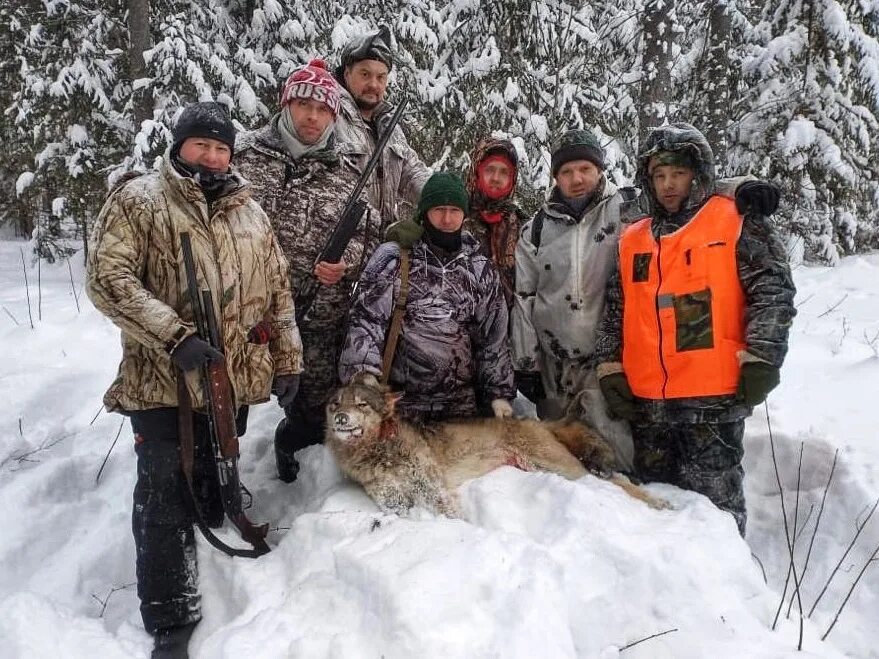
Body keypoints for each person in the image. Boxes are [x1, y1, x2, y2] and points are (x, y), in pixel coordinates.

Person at [86, 102, 302, 657]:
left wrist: (289, 361)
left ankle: (215, 535)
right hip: (163, 382)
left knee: (209, 479)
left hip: (231, 381)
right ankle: (170, 616)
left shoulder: (250, 212)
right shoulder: (139, 201)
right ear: (179, 145)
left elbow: (278, 292)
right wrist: (174, 335)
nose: (211, 155)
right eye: (201, 144)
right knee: (162, 495)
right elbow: (108, 279)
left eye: (221, 147)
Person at [510, 128, 781, 469]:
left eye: (585, 169)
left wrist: (741, 187)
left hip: (603, 362)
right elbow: (524, 298)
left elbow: (686, 194)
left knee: (614, 461)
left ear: (600, 170)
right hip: (554, 368)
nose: (576, 179)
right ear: (555, 177)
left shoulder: (627, 210)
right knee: (559, 462)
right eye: (566, 171)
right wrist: (526, 363)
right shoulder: (536, 227)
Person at [594, 122, 796, 536]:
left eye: (679, 174)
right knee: (655, 513)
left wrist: (763, 356)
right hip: (648, 402)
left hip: (712, 401)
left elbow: (773, 290)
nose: (669, 185)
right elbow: (616, 307)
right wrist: (610, 365)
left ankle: (728, 593)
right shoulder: (634, 235)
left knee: (716, 518)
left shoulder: (736, 217)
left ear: (698, 174)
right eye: (659, 175)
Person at [236, 59, 382, 483]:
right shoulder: (243, 157)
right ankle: (216, 482)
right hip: (245, 316)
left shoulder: (348, 171)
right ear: (286, 104)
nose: (312, 116)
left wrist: (345, 263)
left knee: (313, 412)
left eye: (323, 108)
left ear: (334, 114)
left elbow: (366, 236)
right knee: (226, 411)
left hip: (318, 319)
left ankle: (299, 476)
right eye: (303, 104)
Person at [338, 171, 516, 423]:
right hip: (400, 402)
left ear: (464, 214)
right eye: (439, 209)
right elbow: (366, 323)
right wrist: (363, 377)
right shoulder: (397, 260)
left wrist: (498, 394)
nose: (446, 218)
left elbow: (493, 338)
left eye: (454, 210)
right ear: (424, 213)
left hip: (460, 405)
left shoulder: (479, 268)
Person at [333, 25, 430, 230]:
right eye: (365, 74)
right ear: (347, 73)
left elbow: (413, 174)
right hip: (340, 244)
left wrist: (441, 199)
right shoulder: (330, 117)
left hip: (379, 247)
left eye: (381, 77)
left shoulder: (390, 127)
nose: (374, 84)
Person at [462, 138, 526, 308]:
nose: (496, 178)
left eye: (504, 172)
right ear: (477, 172)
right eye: (490, 170)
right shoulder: (454, 216)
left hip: (508, 329)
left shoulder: (523, 228)